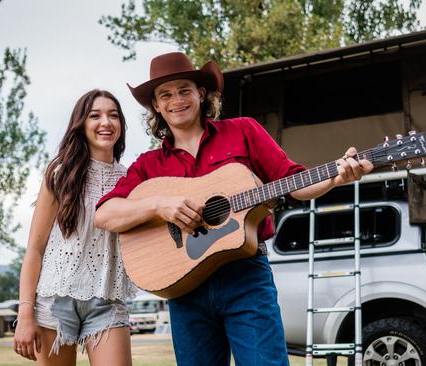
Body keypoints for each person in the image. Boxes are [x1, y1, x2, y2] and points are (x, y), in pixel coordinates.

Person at [94, 52, 373, 365]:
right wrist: (160, 205)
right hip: (185, 288)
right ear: (156, 106)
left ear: (201, 93)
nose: (177, 100)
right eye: (166, 95)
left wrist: (336, 175)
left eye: (184, 90)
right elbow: (105, 214)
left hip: (246, 278)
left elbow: (291, 181)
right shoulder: (149, 166)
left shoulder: (243, 131)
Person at [14, 89, 136, 366]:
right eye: (95, 115)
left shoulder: (130, 180)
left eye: (113, 115)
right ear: (80, 124)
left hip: (108, 300)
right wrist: (25, 314)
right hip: (55, 302)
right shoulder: (60, 175)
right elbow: (35, 248)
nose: (106, 122)